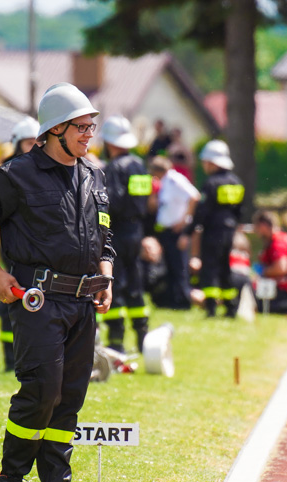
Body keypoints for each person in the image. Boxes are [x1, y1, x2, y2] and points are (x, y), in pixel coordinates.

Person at [0, 82, 114, 482]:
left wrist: (108, 277)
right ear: (55, 129)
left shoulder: (94, 175)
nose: (88, 134)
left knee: (69, 398)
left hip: (84, 304)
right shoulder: (16, 175)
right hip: (37, 301)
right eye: (81, 127)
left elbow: (107, 235)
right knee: (42, 391)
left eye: (91, 126)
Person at [99, 115, 151, 352]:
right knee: (136, 284)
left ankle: (116, 341)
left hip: (117, 232)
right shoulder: (140, 166)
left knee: (116, 285)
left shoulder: (114, 168)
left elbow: (113, 202)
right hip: (137, 231)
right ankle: (142, 337)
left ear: (110, 143)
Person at [0, 115, 40, 371]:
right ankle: (10, 359)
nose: (32, 146)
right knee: (10, 299)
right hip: (12, 247)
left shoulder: (45, 168)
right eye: (27, 142)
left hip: (38, 248)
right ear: (16, 143)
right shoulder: (6, 172)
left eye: (36, 141)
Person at [189, 140, 244, 318]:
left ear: (212, 163)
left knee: (210, 269)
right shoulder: (236, 182)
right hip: (229, 232)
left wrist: (189, 231)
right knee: (225, 268)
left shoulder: (211, 183)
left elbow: (202, 211)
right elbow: (239, 211)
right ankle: (231, 307)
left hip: (212, 232)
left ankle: (211, 308)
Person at [149, 155, 200, 310]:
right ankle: (172, 299)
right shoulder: (164, 182)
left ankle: (183, 300)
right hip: (166, 231)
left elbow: (194, 197)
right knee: (170, 266)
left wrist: (184, 222)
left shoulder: (175, 180)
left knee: (179, 267)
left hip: (176, 231)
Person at [253, 210, 287, 317]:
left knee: (255, 302)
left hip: (284, 289)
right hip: (285, 287)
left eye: (257, 227)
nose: (256, 231)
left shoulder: (278, 242)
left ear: (263, 226)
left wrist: (263, 271)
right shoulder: (283, 237)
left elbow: (281, 268)